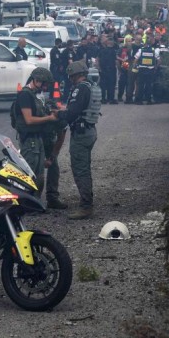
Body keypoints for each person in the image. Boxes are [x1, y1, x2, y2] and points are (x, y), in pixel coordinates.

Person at [58, 60, 101, 220]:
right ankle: (86, 202)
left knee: (80, 169)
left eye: (71, 76)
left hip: (81, 134)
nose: (70, 79)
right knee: (84, 168)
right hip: (90, 130)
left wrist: (58, 114)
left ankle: (86, 206)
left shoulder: (81, 89)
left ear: (75, 75)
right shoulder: (92, 87)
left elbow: (73, 112)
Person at [12, 67, 59, 197]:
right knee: (30, 173)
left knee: (39, 175)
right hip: (29, 140)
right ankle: (27, 202)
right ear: (37, 80)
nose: (46, 87)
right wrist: (49, 118)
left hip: (38, 139)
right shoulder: (25, 95)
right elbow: (29, 119)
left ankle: (35, 202)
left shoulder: (36, 95)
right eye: (44, 84)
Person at [134, 34, 161, 105]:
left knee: (140, 85)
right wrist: (155, 67)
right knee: (149, 85)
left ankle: (139, 101)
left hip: (142, 70)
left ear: (144, 44)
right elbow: (159, 60)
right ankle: (148, 100)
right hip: (150, 70)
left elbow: (136, 60)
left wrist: (136, 66)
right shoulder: (153, 50)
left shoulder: (141, 50)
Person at [97, 36, 118, 104]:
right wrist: (118, 68)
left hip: (103, 70)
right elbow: (116, 61)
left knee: (103, 85)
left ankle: (103, 99)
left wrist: (99, 68)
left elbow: (98, 60)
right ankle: (110, 99)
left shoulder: (102, 50)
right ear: (112, 43)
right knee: (111, 85)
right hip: (111, 70)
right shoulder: (113, 51)